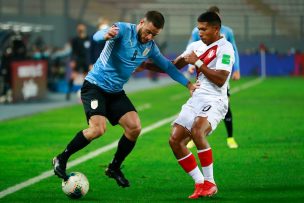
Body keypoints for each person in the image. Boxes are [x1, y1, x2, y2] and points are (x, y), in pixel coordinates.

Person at [52, 10, 197, 188]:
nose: (149, 36)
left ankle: (114, 167)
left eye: (155, 34)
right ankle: (61, 158)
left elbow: (168, 66)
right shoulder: (122, 30)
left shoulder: (150, 47)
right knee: (97, 129)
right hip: (95, 87)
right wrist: (105, 34)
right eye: (148, 31)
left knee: (134, 127)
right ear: (142, 22)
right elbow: (97, 37)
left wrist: (189, 85)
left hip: (115, 91)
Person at [167, 11, 234, 198]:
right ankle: (199, 183)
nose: (200, 32)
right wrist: (143, 63)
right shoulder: (195, 45)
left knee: (198, 130)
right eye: (198, 29)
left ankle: (210, 183)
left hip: (216, 99)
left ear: (216, 29)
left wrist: (197, 62)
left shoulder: (225, 48)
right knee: (175, 140)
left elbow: (221, 79)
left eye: (203, 29)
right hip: (196, 98)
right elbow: (172, 66)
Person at [187, 6, 240, 149]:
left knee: (225, 107)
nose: (201, 32)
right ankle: (195, 136)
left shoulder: (227, 32)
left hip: (219, 78)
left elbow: (234, 49)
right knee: (198, 106)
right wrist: (190, 65)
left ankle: (230, 138)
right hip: (203, 79)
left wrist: (237, 69)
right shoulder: (196, 32)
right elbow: (191, 48)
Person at [66, 23, 91, 101]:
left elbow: (90, 50)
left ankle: (86, 93)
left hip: (86, 60)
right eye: (79, 28)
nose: (81, 29)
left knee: (87, 77)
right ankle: (68, 92)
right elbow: (73, 52)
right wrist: (72, 61)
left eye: (82, 28)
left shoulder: (89, 39)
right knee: (73, 76)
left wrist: (91, 61)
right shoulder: (75, 40)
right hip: (78, 59)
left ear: (85, 28)